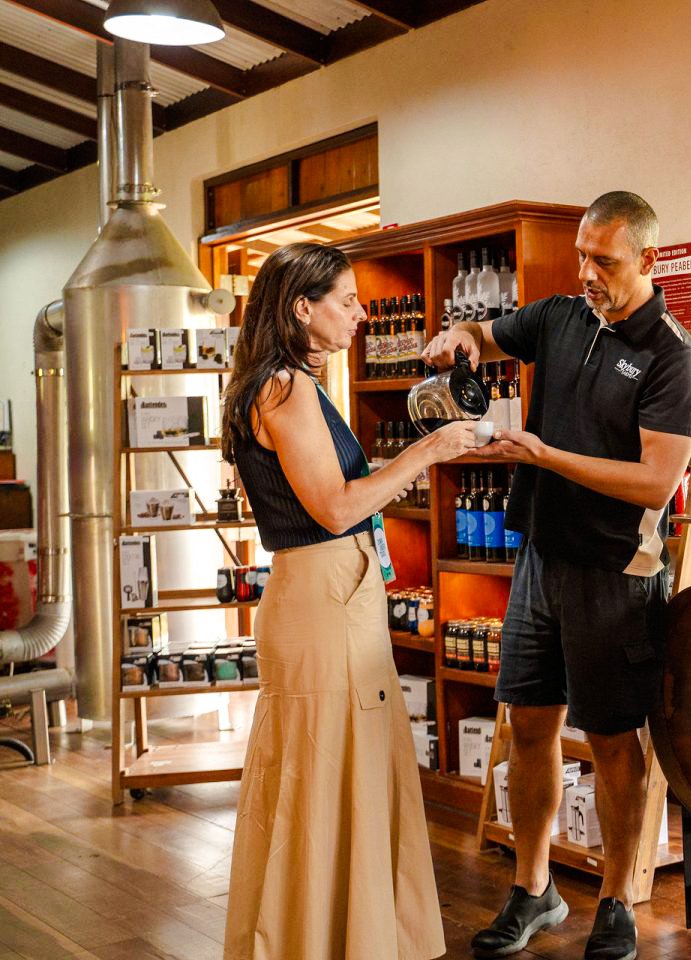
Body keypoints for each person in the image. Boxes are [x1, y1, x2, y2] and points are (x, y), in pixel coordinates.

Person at [424, 192, 691, 960]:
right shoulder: (560, 316)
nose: (586, 271)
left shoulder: (671, 355)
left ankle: (616, 897)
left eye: (603, 261)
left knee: (615, 741)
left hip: (616, 571)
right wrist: (465, 336)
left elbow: (655, 481)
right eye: (582, 254)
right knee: (529, 725)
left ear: (646, 260)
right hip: (540, 559)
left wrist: (546, 457)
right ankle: (534, 886)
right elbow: (488, 329)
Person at [220, 242, 478, 960]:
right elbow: (334, 508)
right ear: (302, 308)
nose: (362, 315)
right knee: (329, 778)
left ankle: (329, 937)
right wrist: (428, 451)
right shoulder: (285, 389)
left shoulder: (284, 383)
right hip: (324, 596)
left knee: (330, 775)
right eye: (347, 301)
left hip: (327, 594)